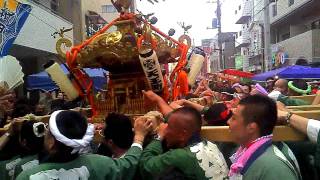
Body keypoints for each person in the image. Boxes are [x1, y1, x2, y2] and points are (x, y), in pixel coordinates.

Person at [16, 110, 153, 180]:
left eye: (47, 132)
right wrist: (139, 136)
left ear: (52, 142)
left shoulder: (28, 176)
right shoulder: (99, 164)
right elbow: (129, 163)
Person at [140, 91, 229, 180]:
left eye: (169, 127)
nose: (164, 128)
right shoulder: (209, 144)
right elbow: (177, 120)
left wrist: (158, 136)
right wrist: (157, 99)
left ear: (182, 134)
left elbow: (146, 167)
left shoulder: (179, 156)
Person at [227, 95, 300, 179]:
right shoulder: (250, 152)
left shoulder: (274, 168)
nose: (228, 121)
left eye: (233, 118)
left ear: (251, 127)